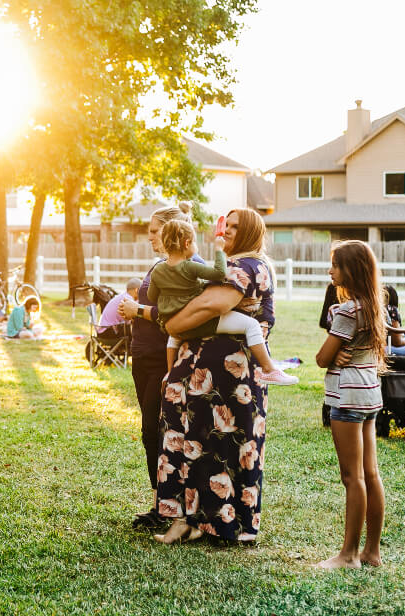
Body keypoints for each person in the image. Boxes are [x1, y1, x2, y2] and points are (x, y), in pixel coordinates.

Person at [153, 208, 274, 545]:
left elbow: (211, 305)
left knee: (228, 447)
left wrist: (173, 324)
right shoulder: (228, 265)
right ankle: (188, 520)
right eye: (227, 225)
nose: (229, 231)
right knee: (192, 445)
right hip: (199, 373)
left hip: (230, 379)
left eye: (237, 227)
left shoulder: (247, 266)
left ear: (251, 231)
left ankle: (230, 526)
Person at [117, 202, 197, 531]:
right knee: (150, 432)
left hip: (163, 361)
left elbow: (179, 317)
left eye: (154, 231)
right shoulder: (159, 265)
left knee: (157, 430)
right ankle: (159, 504)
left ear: (169, 231)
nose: (150, 237)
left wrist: (138, 310)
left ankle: (169, 507)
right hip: (144, 356)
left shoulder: (189, 267)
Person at [150, 220, 297, 386]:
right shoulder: (190, 267)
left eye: (234, 226)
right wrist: (218, 250)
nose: (226, 230)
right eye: (196, 241)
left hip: (172, 323)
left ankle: (169, 373)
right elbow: (219, 273)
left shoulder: (158, 270)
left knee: (173, 339)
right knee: (251, 326)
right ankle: (270, 370)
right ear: (187, 243)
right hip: (200, 324)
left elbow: (152, 296)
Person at [315, 241, 387, 569]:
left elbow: (321, 358)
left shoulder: (346, 310)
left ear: (351, 269)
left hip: (348, 397)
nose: (331, 270)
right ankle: (371, 552)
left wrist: (335, 355)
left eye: (335, 265)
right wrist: (343, 353)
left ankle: (347, 555)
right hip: (370, 394)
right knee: (370, 474)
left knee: (352, 477)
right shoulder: (372, 305)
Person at [383, 285, 405, 356]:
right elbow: (397, 342)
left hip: (378, 347)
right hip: (387, 349)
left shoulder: (378, 308)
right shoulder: (392, 310)